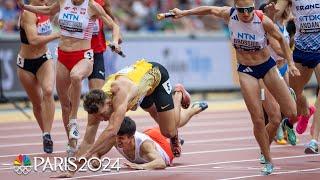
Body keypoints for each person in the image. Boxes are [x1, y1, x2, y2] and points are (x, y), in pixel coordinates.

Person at [167, 0, 300, 175]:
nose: (246, 14)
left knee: (291, 112)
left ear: (253, 8)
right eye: (242, 10)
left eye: (249, 10)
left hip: (267, 66)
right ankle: (267, 159)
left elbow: (281, 40)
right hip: (246, 70)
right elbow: (208, 9)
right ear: (236, 8)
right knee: (258, 119)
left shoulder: (261, 20)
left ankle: (287, 96)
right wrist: (184, 13)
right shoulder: (229, 14)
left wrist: (290, 63)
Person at [16, 0, 122, 154]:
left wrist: (115, 40)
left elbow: (114, 25)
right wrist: (26, 7)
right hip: (63, 56)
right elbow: (48, 11)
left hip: (84, 55)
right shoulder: (63, 1)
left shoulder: (92, 6)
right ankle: (72, 144)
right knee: (65, 103)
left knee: (76, 77)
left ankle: (75, 120)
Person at [56, 103, 207, 178]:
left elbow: (160, 163)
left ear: (131, 137)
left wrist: (139, 166)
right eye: (117, 138)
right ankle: (176, 139)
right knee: (166, 128)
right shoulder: (115, 139)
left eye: (122, 138)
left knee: (172, 125)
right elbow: (96, 152)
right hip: (148, 134)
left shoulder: (144, 147)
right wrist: (95, 160)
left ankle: (187, 104)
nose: (118, 141)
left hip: (161, 147)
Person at [267, 0, 319, 142]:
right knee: (295, 93)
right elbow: (274, 15)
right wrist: (270, 13)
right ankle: (297, 118)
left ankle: (314, 138)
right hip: (300, 51)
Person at [17, 0, 60, 153]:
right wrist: (57, 34)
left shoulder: (46, 9)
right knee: (37, 104)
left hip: (44, 59)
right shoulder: (29, 13)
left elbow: (60, 8)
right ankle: (45, 132)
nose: (46, 1)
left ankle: (47, 134)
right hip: (26, 65)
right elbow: (34, 40)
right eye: (42, 0)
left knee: (48, 91)